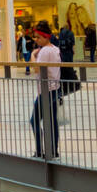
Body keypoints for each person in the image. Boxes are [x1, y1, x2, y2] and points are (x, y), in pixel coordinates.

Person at [30, 21, 60, 157]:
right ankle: (53, 150)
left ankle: (39, 150)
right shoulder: (55, 49)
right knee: (52, 120)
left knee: (34, 120)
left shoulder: (44, 51)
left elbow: (36, 69)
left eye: (38, 37)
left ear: (46, 37)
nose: (36, 40)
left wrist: (32, 56)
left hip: (45, 90)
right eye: (35, 37)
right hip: (54, 88)